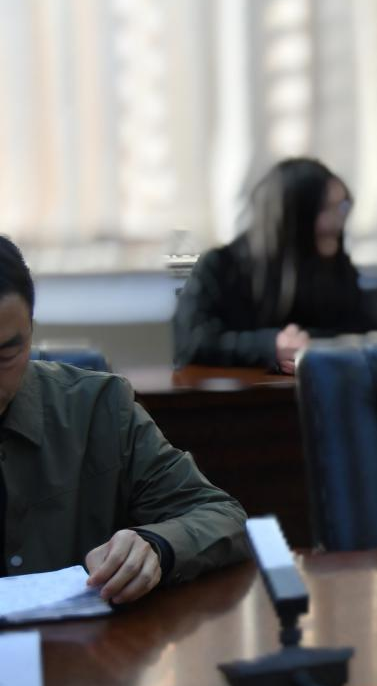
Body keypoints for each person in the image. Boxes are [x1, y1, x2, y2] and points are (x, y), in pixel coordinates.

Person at [0, 237, 247, 601]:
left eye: (5, 355)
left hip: (82, 637)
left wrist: (156, 546)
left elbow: (221, 515)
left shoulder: (99, 409)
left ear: (31, 332)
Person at [173, 158, 367, 373]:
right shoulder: (219, 267)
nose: (338, 221)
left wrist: (306, 344)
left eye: (342, 207)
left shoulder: (338, 268)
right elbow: (191, 342)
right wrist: (272, 346)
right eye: (326, 209)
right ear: (292, 215)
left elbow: (356, 335)